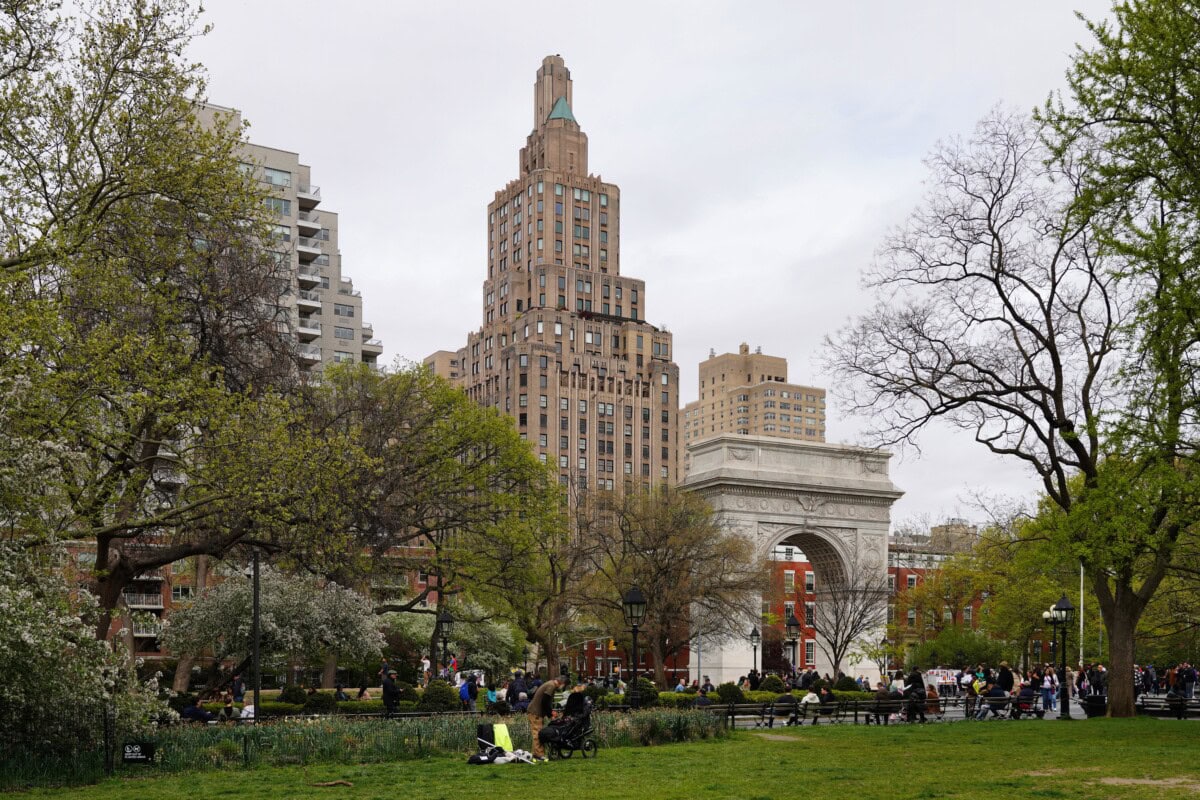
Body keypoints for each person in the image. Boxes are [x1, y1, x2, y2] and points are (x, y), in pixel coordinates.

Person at [527, 675, 562, 762]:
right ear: (561, 683)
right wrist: (550, 714)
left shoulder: (549, 684)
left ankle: (535, 754)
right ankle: (539, 755)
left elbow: (546, 701)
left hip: (535, 711)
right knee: (538, 733)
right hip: (535, 712)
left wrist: (550, 712)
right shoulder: (551, 686)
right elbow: (545, 701)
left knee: (537, 732)